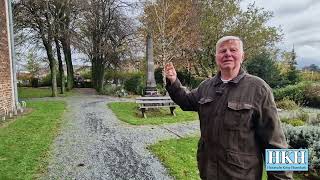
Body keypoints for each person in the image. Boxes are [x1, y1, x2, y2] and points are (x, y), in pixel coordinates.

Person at [164, 36, 293, 180]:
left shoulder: (259, 88)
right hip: (208, 172)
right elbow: (186, 101)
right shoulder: (206, 86)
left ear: (242, 56)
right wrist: (174, 81)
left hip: (242, 175)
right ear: (216, 57)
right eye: (222, 50)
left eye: (233, 50)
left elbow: (276, 141)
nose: (227, 54)